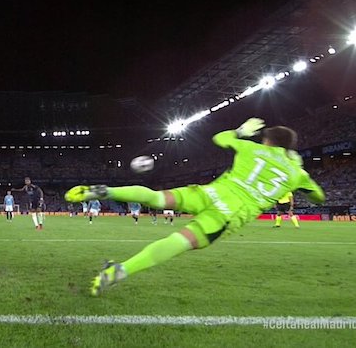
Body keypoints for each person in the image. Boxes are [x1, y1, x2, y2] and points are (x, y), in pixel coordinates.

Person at [65, 118, 325, 296]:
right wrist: (300, 171)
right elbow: (319, 198)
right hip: (227, 214)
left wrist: (240, 132)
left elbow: (219, 137)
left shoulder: (250, 147)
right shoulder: (295, 173)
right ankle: (119, 271)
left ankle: (104, 190)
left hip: (209, 192)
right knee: (179, 241)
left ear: (267, 140)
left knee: (156, 198)